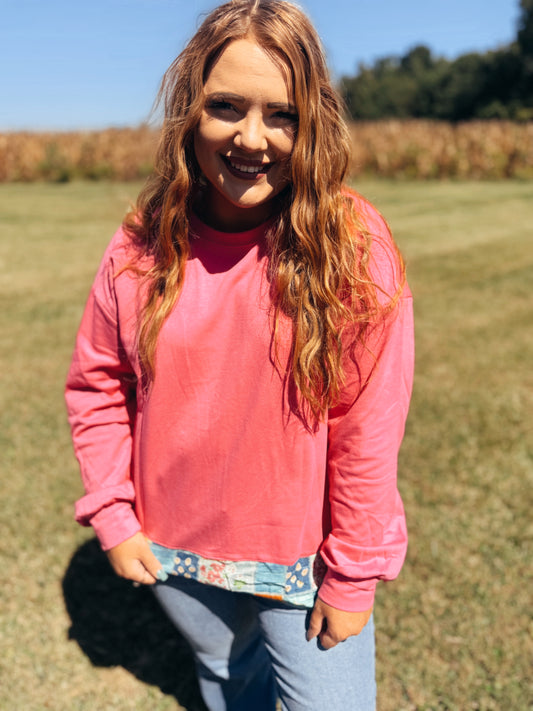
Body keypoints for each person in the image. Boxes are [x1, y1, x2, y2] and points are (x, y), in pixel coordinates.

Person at [65, 1, 414, 709]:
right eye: (226, 106)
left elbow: (366, 427)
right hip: (173, 548)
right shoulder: (141, 243)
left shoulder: (353, 246)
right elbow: (98, 384)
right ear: (189, 109)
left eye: (281, 114)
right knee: (229, 678)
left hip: (303, 564)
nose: (251, 138)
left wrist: (352, 574)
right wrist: (114, 513)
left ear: (312, 122)